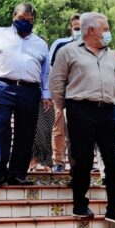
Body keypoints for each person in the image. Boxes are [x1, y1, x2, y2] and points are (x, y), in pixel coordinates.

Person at [49, 12, 115, 225]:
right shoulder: (67, 51)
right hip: (80, 109)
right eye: (105, 28)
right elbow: (57, 82)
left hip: (107, 110)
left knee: (114, 161)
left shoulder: (110, 55)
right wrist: (64, 106)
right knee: (82, 159)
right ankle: (80, 204)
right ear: (92, 30)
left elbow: (114, 80)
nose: (108, 32)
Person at [0, 2, 51, 186]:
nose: (25, 23)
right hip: (2, 86)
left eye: (30, 20)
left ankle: (17, 173)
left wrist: (46, 94)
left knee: (26, 133)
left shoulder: (41, 43)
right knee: (1, 129)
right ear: (13, 17)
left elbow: (46, 72)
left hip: (30, 90)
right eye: (21, 19)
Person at [49, 14, 81, 173]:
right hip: (61, 94)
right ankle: (58, 161)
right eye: (76, 28)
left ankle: (77, 164)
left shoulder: (90, 47)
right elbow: (50, 67)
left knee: (76, 131)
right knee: (59, 128)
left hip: (80, 95)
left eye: (81, 28)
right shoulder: (60, 44)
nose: (78, 31)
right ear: (71, 27)